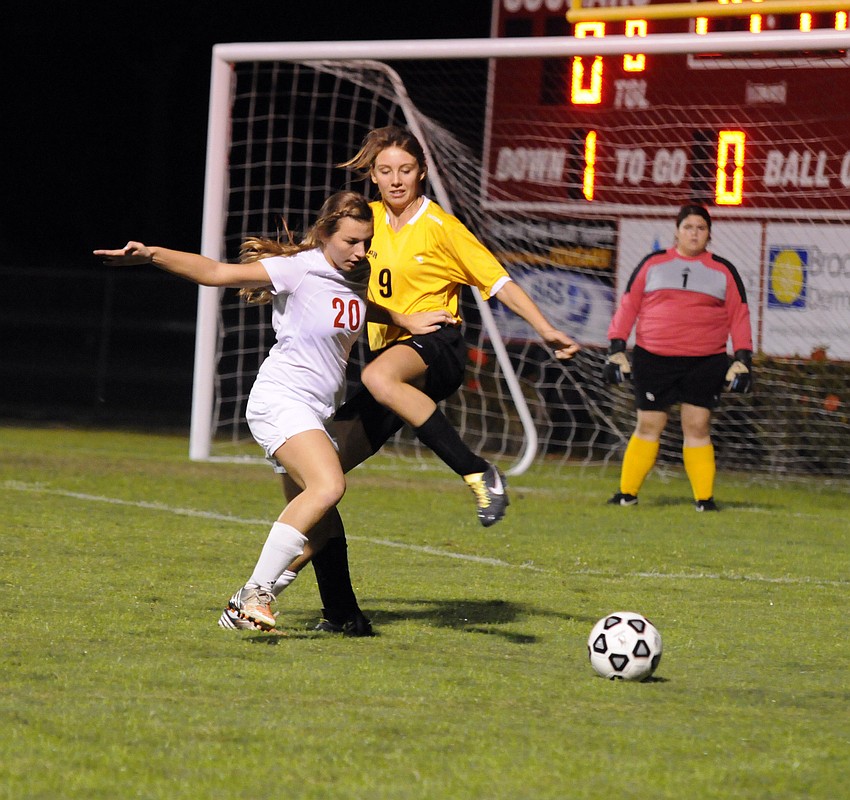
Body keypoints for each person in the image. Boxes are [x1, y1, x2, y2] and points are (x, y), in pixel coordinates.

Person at [217, 125, 581, 634]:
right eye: (384, 170)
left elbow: (499, 282)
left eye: (404, 170)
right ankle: (339, 614)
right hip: (394, 369)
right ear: (372, 174)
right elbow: (323, 267)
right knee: (314, 488)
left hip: (438, 346)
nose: (395, 180)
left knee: (378, 374)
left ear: (421, 171)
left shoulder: (441, 227)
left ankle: (480, 473)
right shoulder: (363, 226)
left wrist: (545, 329)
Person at [95, 191, 452, 631]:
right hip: (281, 399)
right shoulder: (296, 268)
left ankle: (252, 607)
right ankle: (253, 594)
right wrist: (152, 255)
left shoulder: (355, 273)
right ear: (324, 234)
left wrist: (406, 319)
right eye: (352, 241)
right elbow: (217, 272)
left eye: (367, 241)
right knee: (328, 486)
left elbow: (352, 305)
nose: (361, 251)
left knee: (317, 521)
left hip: (315, 409)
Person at [602, 202, 753, 512]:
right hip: (654, 357)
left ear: (709, 234)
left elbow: (739, 315)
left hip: (705, 360)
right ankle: (627, 494)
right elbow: (629, 305)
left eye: (700, 228)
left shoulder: (723, 271)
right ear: (676, 231)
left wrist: (743, 357)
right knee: (648, 424)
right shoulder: (653, 264)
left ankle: (704, 500)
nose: (694, 233)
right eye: (688, 227)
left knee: (697, 426)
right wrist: (616, 347)